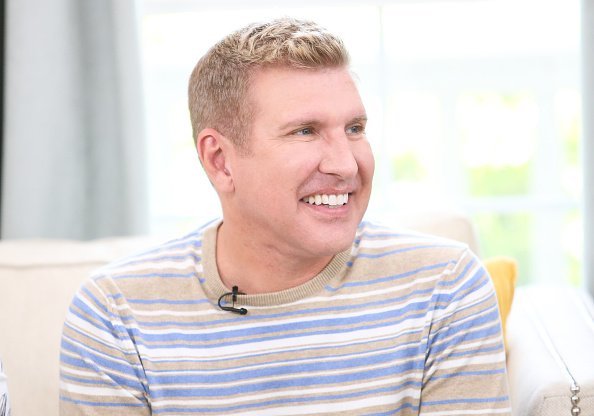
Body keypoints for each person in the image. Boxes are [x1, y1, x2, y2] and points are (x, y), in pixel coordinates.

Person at [60, 17, 511, 415]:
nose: (347, 165)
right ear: (220, 161)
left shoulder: (445, 286)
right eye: (305, 131)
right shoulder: (115, 315)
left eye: (354, 129)